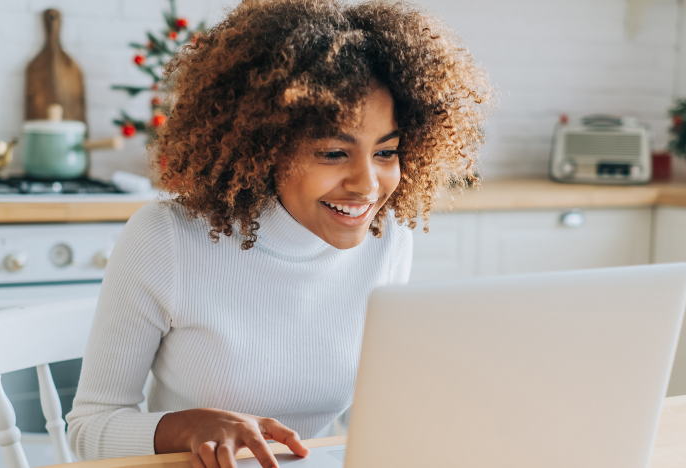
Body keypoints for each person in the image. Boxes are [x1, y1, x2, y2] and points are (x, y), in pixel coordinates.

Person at [66, 1, 490, 467]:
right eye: (333, 152)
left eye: (386, 152)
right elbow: (88, 431)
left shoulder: (386, 239)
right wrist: (191, 426)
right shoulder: (168, 238)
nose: (368, 185)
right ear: (264, 146)